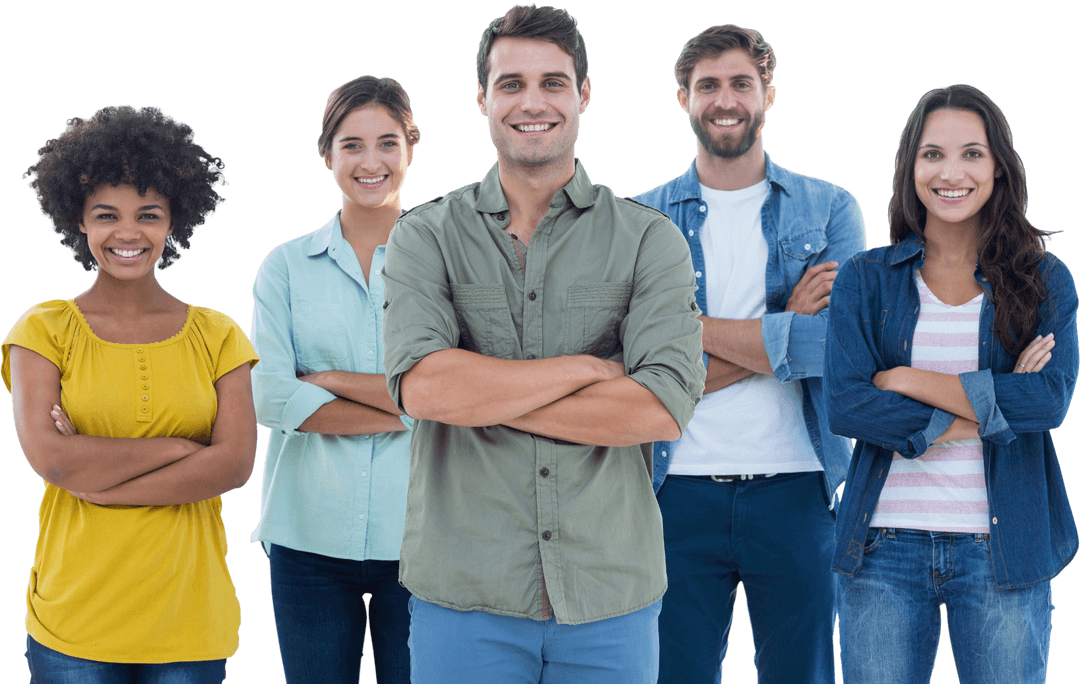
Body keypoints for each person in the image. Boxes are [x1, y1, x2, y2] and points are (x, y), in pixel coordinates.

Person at [381, 5, 705, 683]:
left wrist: (483, 395)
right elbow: (426, 389)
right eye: (511, 84)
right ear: (482, 99)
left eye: (552, 83)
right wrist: (589, 369)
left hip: (609, 596)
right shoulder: (424, 235)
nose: (532, 102)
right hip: (464, 593)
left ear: (583, 94)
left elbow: (659, 407)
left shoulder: (649, 239)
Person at [632, 25, 865, 684]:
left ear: (768, 94)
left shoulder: (829, 209)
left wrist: (686, 327)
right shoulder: (640, 219)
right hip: (674, 493)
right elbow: (636, 368)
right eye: (708, 85)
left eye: (741, 83)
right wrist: (786, 324)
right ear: (684, 98)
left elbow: (836, 349)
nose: (725, 100)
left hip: (797, 491)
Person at [825, 84, 1077, 684]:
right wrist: (990, 407)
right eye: (932, 154)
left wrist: (905, 379)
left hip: (1003, 549)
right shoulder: (867, 279)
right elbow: (848, 405)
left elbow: (1046, 401)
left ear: (998, 167)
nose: (951, 173)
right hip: (882, 545)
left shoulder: (1044, 280)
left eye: (972, 153)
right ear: (911, 167)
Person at [3, 106, 258, 683]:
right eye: (106, 215)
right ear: (79, 220)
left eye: (148, 215)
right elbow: (54, 459)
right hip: (75, 621)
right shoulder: (44, 331)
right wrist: (182, 449)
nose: (127, 233)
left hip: (189, 620)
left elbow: (235, 464)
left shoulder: (218, 335)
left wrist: (102, 485)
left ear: (173, 222)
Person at [249, 76, 417, 684]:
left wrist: (327, 381)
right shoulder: (285, 266)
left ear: (411, 146)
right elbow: (270, 396)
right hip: (307, 537)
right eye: (351, 145)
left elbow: (468, 394)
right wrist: (411, 409)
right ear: (327, 155)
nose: (371, 162)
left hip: (422, 536)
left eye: (387, 143)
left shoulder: (447, 263)